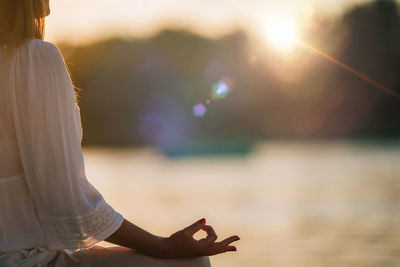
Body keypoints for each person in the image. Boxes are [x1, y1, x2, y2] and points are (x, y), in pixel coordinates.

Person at [0, 0, 240, 266]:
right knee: (192, 264)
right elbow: (68, 205)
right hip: (17, 259)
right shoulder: (33, 58)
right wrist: (162, 245)